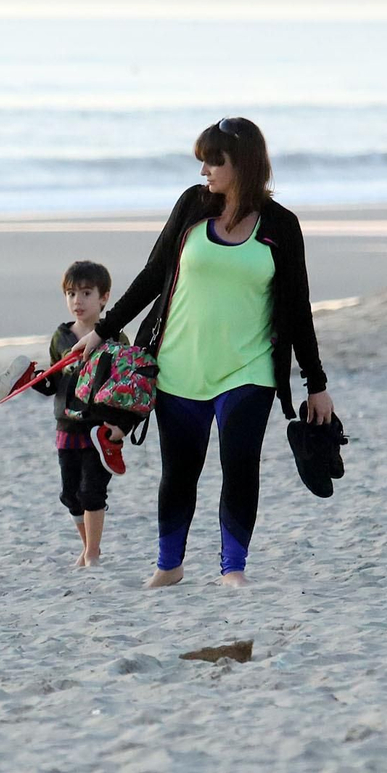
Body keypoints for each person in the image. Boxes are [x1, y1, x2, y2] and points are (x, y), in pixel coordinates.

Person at [74, 117, 334, 588]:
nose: (205, 172)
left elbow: (298, 309)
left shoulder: (281, 226)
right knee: (179, 473)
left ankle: (232, 570)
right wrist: (103, 331)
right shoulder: (193, 207)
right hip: (178, 366)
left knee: (239, 466)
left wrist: (316, 384)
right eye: (203, 162)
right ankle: (168, 567)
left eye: (215, 161)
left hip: (248, 368)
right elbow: (154, 275)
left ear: (245, 163)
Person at [31, 261, 127, 567]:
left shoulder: (116, 339)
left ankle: (93, 553)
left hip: (100, 428)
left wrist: (120, 424)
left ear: (104, 297)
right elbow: (55, 382)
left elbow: (124, 386)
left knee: (92, 491)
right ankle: (87, 548)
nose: (78, 301)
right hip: (67, 425)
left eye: (86, 293)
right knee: (70, 495)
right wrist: (36, 381)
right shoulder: (61, 338)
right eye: (71, 294)